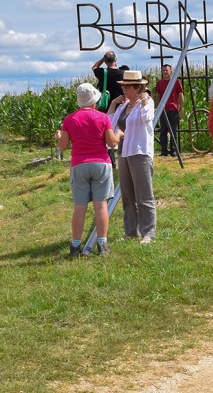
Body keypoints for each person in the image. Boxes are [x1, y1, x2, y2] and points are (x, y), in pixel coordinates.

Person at [58, 83, 121, 258]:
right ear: (94, 100)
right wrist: (120, 134)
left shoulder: (70, 120)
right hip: (101, 162)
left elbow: (62, 147)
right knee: (101, 206)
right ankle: (102, 244)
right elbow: (112, 142)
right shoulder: (102, 117)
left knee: (80, 207)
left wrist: (58, 138)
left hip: (79, 164)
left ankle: (75, 246)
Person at [112, 70, 157, 244]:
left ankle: (148, 232)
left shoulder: (146, 103)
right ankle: (130, 231)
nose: (125, 90)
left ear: (138, 87)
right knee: (128, 195)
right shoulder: (124, 105)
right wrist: (115, 102)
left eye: (128, 86)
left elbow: (147, 118)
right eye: (124, 86)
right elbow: (112, 122)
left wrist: (145, 98)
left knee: (144, 195)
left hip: (140, 152)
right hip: (124, 152)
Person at [153, 63, 183, 157]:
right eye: (164, 70)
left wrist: (182, 108)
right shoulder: (159, 83)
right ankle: (164, 150)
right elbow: (157, 96)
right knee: (163, 131)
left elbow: (180, 95)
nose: (165, 72)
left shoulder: (176, 82)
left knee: (173, 131)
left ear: (171, 71)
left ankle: (173, 150)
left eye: (167, 70)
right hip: (163, 110)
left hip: (173, 109)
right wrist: (156, 108)